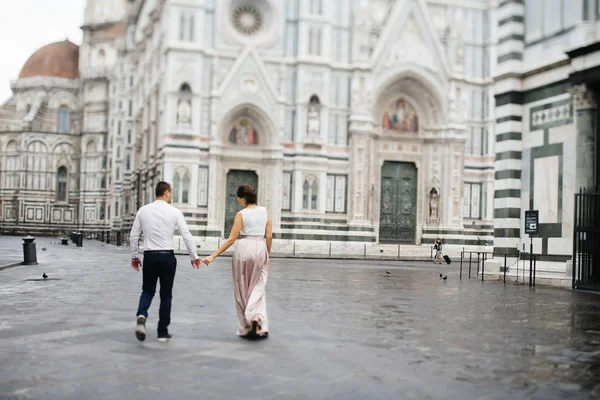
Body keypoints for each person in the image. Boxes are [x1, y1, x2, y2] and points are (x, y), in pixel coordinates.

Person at [130, 181, 202, 342]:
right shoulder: (174, 211)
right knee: (166, 295)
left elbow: (134, 235)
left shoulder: (143, 210)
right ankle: (162, 332)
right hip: (167, 256)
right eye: (171, 192)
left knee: (147, 290)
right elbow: (186, 234)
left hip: (150, 256)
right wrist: (194, 256)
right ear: (166, 193)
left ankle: (142, 315)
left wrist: (135, 256)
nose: (172, 195)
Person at [202, 184, 272, 339]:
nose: (238, 201)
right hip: (260, 247)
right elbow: (269, 236)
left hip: (244, 248)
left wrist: (212, 256)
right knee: (258, 285)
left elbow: (232, 239)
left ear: (243, 198)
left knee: (241, 287)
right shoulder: (265, 211)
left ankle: (247, 325)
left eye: (239, 198)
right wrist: (268, 254)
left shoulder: (241, 214)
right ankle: (256, 318)